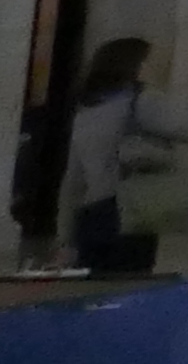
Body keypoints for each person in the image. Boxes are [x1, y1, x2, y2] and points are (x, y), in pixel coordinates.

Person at [57, 37, 174, 274]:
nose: (164, 66)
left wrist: (65, 238)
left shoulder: (87, 112)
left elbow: (73, 180)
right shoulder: (146, 106)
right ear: (137, 67)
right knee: (129, 288)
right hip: (132, 214)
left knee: (93, 293)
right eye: (153, 61)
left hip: (92, 216)